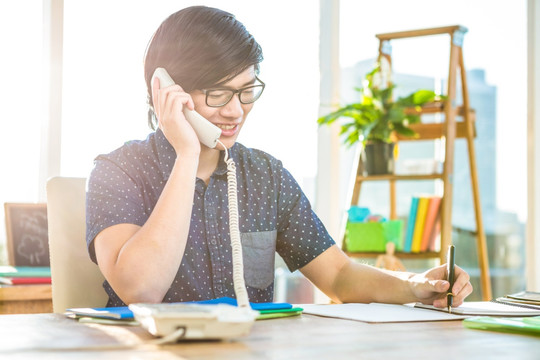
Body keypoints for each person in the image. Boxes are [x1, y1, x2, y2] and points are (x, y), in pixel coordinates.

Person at [86, 6, 472, 308]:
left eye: (246, 90)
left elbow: (337, 275)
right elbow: (140, 289)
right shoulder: (118, 171)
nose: (236, 111)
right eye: (218, 93)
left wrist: (416, 286)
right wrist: (187, 154)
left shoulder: (266, 176)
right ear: (167, 89)